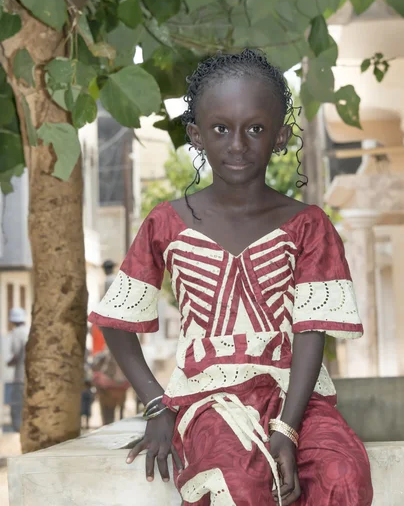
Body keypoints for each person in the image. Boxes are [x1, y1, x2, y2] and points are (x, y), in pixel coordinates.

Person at [88, 49, 373, 505]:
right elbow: (116, 320)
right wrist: (158, 404)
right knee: (234, 483)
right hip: (207, 399)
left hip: (297, 399)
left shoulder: (309, 224)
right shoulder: (167, 223)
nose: (237, 144)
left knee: (342, 472)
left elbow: (310, 332)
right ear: (196, 136)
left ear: (280, 137)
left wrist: (288, 427)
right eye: (221, 129)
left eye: (255, 129)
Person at [6, 307, 29, 432]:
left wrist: (8, 363)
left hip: (20, 377)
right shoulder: (29, 330)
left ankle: (18, 431)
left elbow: (15, 354)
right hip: (31, 376)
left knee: (17, 405)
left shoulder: (16, 333)